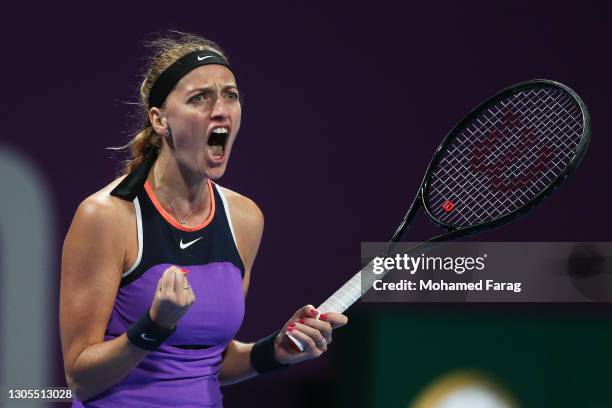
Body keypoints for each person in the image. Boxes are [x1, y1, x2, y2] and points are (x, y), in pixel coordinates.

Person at [59, 31, 348, 407]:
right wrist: (153, 327)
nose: (220, 109)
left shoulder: (244, 218)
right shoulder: (107, 216)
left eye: (231, 95)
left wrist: (274, 351)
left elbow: (212, 362)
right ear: (160, 120)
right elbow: (80, 379)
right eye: (199, 98)